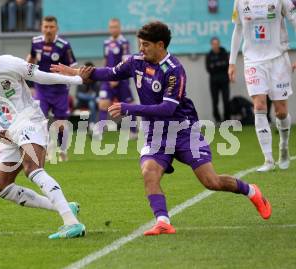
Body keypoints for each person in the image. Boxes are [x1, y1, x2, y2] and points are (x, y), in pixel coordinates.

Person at [52, 21, 271, 236]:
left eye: (146, 44)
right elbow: (109, 73)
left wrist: (129, 108)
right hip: (156, 134)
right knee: (149, 171)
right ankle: (163, 221)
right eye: (140, 43)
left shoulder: (174, 70)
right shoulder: (136, 61)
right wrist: (77, 73)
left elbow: (167, 108)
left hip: (183, 131)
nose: (141, 48)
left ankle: (252, 191)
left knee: (211, 182)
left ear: (160, 44)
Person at [0, 32, 86, 239]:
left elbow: (42, 76)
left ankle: (72, 223)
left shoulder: (8, 63)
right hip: (6, 132)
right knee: (0, 187)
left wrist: (77, 79)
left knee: (32, 169)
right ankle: (64, 206)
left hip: (28, 120)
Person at [228, 0, 295, 172]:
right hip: (253, 62)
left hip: (278, 59)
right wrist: (232, 62)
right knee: (259, 106)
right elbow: (238, 29)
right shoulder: (240, 2)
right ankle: (268, 159)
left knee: (281, 111)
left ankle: (284, 146)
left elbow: (294, 20)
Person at [27, 15, 77, 162]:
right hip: (41, 88)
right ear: (42, 28)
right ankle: (47, 149)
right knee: (40, 120)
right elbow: (31, 58)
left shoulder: (64, 45)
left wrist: (65, 74)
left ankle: (63, 149)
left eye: (51, 27)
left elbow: (73, 67)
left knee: (60, 124)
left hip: (60, 89)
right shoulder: (35, 42)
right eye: (46, 27)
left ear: (56, 28)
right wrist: (24, 69)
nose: (48, 30)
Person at [95, 18, 137, 139]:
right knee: (103, 104)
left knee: (128, 105)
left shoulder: (124, 42)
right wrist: (104, 76)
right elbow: (105, 60)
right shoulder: (106, 43)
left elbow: (126, 61)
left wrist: (117, 78)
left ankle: (133, 131)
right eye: (111, 27)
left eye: (115, 27)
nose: (113, 29)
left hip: (122, 79)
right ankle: (100, 132)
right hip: (108, 79)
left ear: (119, 28)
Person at [205, 37, 230, 122]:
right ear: (211, 45)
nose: (215, 46)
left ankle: (227, 118)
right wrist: (220, 65)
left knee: (226, 100)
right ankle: (217, 119)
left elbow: (227, 65)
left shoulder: (224, 53)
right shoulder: (209, 55)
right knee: (215, 101)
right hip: (214, 81)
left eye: (217, 44)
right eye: (214, 44)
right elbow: (209, 69)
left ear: (219, 44)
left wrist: (216, 65)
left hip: (224, 80)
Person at [75, 62, 99, 128]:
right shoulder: (81, 80)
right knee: (90, 99)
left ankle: (92, 124)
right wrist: (91, 97)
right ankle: (92, 123)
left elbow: (98, 96)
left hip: (93, 103)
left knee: (91, 103)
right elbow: (78, 95)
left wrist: (93, 98)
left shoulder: (97, 82)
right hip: (82, 102)